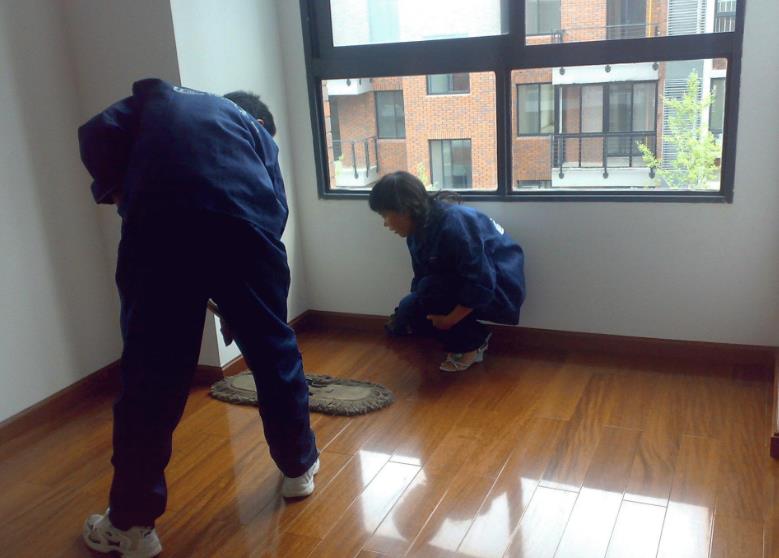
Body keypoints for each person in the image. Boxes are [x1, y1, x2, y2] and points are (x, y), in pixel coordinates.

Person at [77, 79, 319, 557]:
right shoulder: (256, 131)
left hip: (157, 229)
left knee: (151, 376)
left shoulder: (161, 100)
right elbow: (275, 212)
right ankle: (298, 469)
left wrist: (120, 192)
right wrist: (254, 312)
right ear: (260, 122)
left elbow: (95, 131)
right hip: (246, 233)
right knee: (275, 355)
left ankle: (131, 527)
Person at [369, 171, 526, 372]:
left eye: (385, 215)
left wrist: (450, 319)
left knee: (429, 292)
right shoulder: (416, 232)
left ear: (404, 210)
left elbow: (481, 282)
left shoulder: (454, 225)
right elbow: (421, 277)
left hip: (499, 287)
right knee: (408, 312)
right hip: (464, 283)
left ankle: (472, 344)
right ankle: (472, 333)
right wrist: (409, 313)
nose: (385, 223)